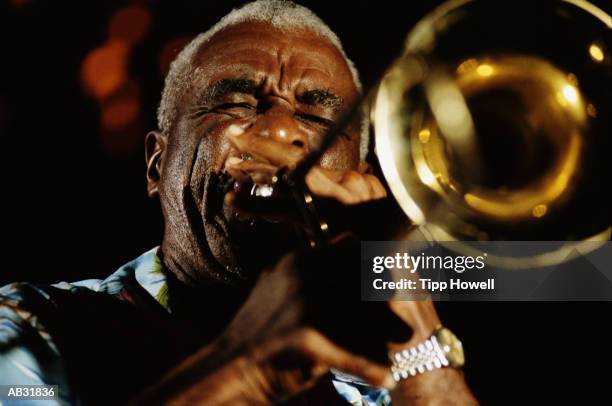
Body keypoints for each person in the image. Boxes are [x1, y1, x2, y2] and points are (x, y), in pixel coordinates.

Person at [0, 1, 477, 404]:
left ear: (363, 177)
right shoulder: (31, 327)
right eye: (238, 104)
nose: (281, 130)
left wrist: (418, 349)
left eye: (313, 114)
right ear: (156, 166)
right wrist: (248, 369)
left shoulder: (389, 373)